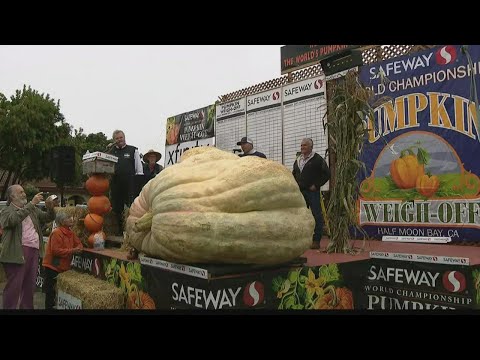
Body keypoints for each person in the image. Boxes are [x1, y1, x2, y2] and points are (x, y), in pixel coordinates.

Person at [0, 186, 58, 309]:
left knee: (29, 286)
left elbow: (47, 217)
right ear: (12, 196)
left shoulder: (32, 210)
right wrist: (31, 204)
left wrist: (50, 207)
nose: (24, 194)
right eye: (20, 192)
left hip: (34, 250)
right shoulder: (6, 211)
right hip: (16, 252)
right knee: (14, 287)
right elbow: (11, 221)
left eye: (23, 191)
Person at [292, 138, 330, 249]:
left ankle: (316, 240)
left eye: (305, 145)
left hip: (312, 192)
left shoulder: (317, 159)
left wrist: (316, 185)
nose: (302, 147)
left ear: (311, 147)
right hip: (301, 192)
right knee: (301, 215)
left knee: (316, 215)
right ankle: (302, 239)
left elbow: (327, 174)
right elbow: (294, 173)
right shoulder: (298, 160)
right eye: (301, 145)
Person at [42, 212, 83, 310]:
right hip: (52, 266)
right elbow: (56, 251)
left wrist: (78, 248)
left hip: (62, 266)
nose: (71, 219)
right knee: (50, 293)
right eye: (68, 218)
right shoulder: (56, 233)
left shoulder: (71, 233)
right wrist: (73, 250)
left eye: (71, 217)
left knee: (58, 292)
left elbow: (79, 244)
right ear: (61, 221)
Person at [107, 130, 144, 236]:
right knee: (117, 209)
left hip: (130, 183)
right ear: (114, 140)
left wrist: (138, 185)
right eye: (117, 138)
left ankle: (131, 232)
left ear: (124, 137)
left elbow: (139, 169)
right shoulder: (111, 152)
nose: (119, 140)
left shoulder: (133, 150)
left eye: (121, 137)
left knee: (131, 208)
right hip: (116, 183)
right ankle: (119, 231)